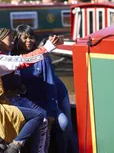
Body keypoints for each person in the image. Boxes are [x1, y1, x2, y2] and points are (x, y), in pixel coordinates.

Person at [0, 28, 61, 153]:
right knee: (41, 117)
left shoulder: (7, 55)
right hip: (5, 100)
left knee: (44, 117)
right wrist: (48, 47)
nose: (13, 42)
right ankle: (12, 145)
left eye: (13, 40)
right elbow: (24, 61)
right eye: (10, 40)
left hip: (15, 97)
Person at [12, 24, 78, 153]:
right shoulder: (12, 58)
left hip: (56, 93)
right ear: (17, 39)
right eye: (24, 38)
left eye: (31, 37)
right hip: (31, 101)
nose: (28, 41)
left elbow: (50, 85)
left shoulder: (43, 57)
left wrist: (51, 111)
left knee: (65, 125)